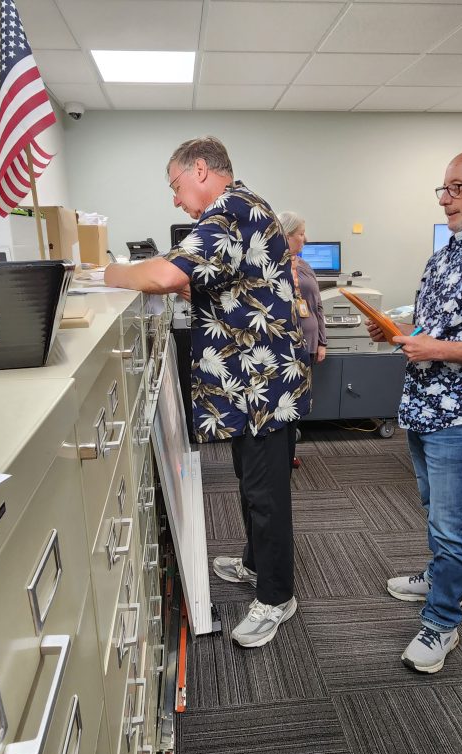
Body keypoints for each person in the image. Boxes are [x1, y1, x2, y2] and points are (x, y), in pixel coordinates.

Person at [104, 136, 312, 648]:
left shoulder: (231, 208)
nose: (175, 199)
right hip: (251, 387)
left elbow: (166, 272)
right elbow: (207, 281)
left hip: (263, 389)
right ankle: (253, 563)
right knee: (249, 484)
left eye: (175, 186)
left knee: (266, 496)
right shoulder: (238, 210)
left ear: (201, 170)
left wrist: (105, 272)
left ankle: (277, 597)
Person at [367, 149, 462, 674]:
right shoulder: (446, 254)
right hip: (423, 408)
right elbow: (435, 332)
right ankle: (437, 578)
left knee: (453, 524)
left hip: (461, 417)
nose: (446, 198)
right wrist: (397, 334)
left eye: (458, 188)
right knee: (435, 510)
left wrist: (434, 349)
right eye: (444, 188)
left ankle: (442, 622)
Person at [278, 211, 328, 467]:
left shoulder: (305, 265)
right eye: (300, 234)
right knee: (283, 401)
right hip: (284, 347)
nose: (305, 238)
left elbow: (317, 305)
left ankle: (290, 452)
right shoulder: (273, 265)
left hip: (307, 345)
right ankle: (280, 454)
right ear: (286, 236)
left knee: (298, 401)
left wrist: (321, 341)